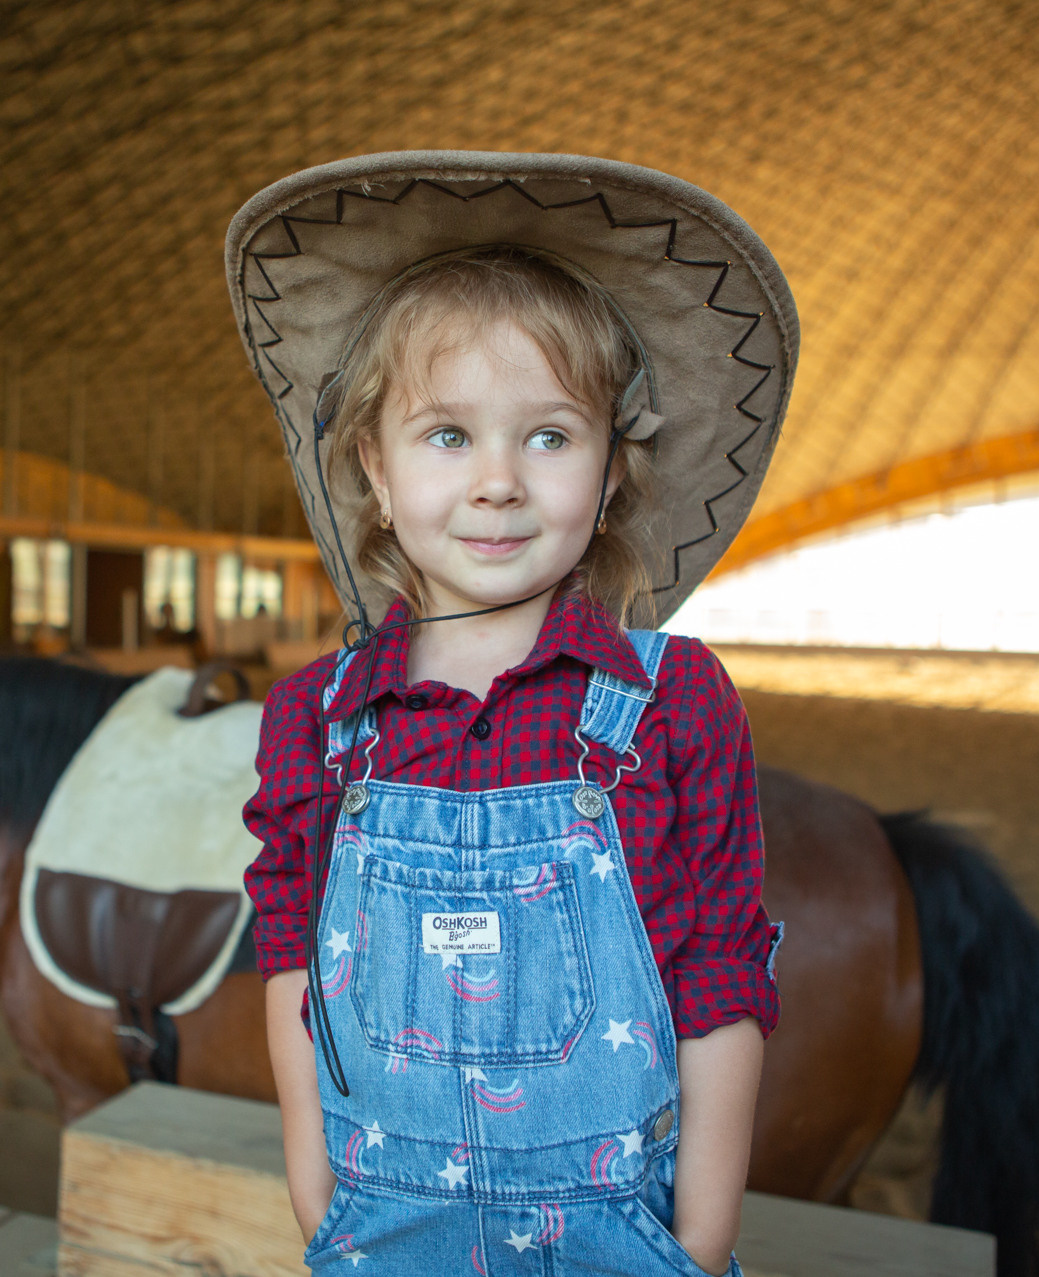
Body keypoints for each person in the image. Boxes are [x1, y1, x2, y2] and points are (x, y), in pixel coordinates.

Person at [228, 153, 798, 1276]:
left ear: (608, 473)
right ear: (376, 474)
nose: (497, 480)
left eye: (547, 435)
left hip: (625, 1245)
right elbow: (291, 950)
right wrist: (311, 1186)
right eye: (447, 435)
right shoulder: (318, 716)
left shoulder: (671, 699)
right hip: (379, 1238)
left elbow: (721, 973)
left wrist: (700, 1236)